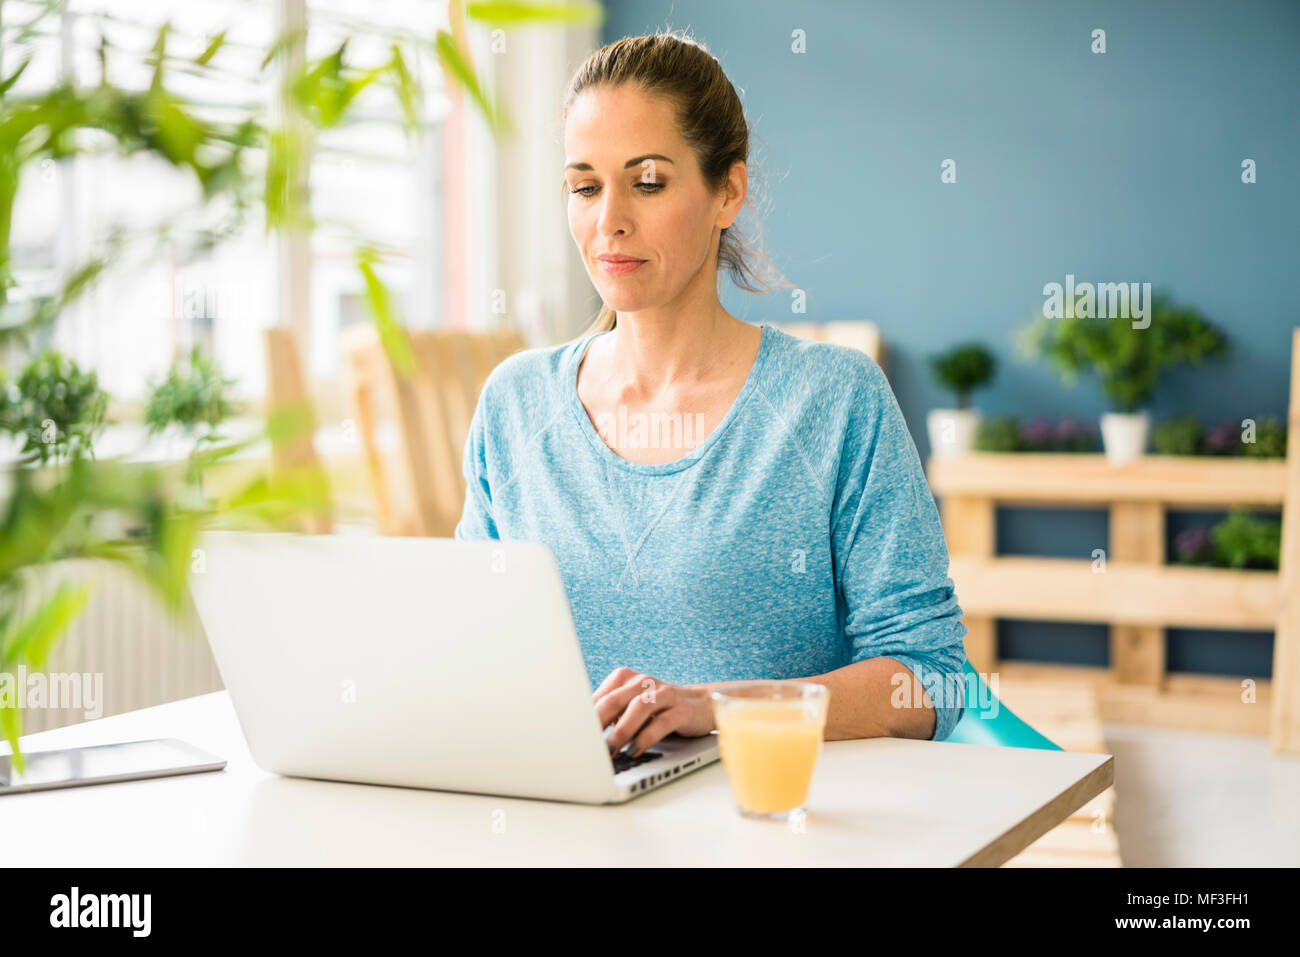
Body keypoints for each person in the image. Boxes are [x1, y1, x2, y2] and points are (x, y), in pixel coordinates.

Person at [456, 31, 968, 760]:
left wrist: (715, 707)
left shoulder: (833, 401)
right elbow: (471, 644)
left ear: (728, 191)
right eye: (585, 186)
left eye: (650, 181)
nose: (609, 222)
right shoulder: (515, 405)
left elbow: (934, 679)